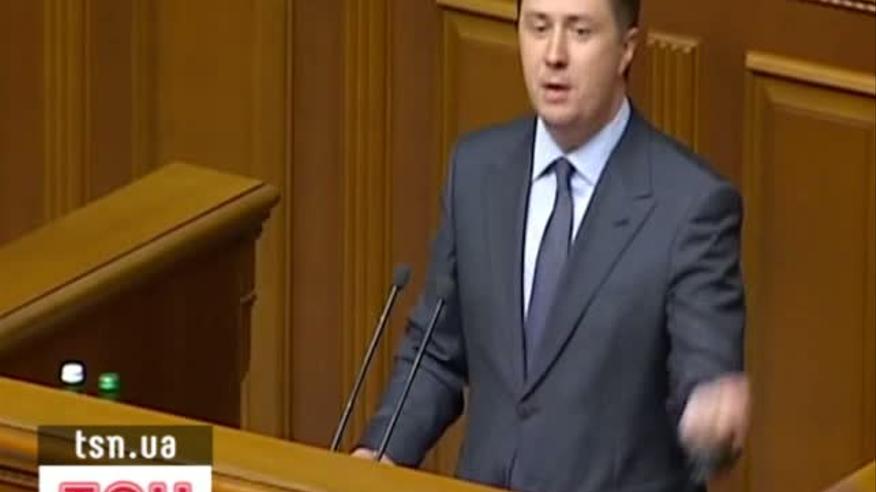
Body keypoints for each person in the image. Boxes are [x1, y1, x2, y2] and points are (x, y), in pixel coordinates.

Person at [353, 0, 750, 490]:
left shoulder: (689, 205)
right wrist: (382, 453)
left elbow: (704, 369)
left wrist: (711, 418)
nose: (553, 54)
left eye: (579, 32)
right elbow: (437, 351)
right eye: (538, 27)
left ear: (627, 48)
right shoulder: (477, 171)